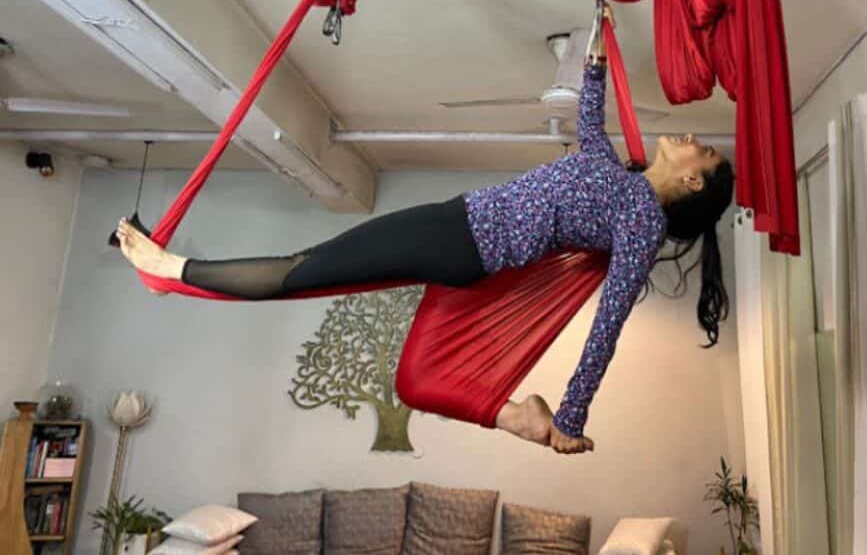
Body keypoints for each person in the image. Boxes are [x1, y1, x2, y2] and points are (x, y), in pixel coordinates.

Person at [116, 50, 734, 456]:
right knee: (414, 380)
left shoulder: (638, 225)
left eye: (700, 151)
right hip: (460, 235)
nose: (688, 137)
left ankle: (169, 267)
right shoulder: (619, 179)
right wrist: (597, 56)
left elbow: (607, 328)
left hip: (459, 240)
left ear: (693, 184)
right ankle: (518, 418)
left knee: (303, 269)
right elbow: (593, 123)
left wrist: (573, 418)